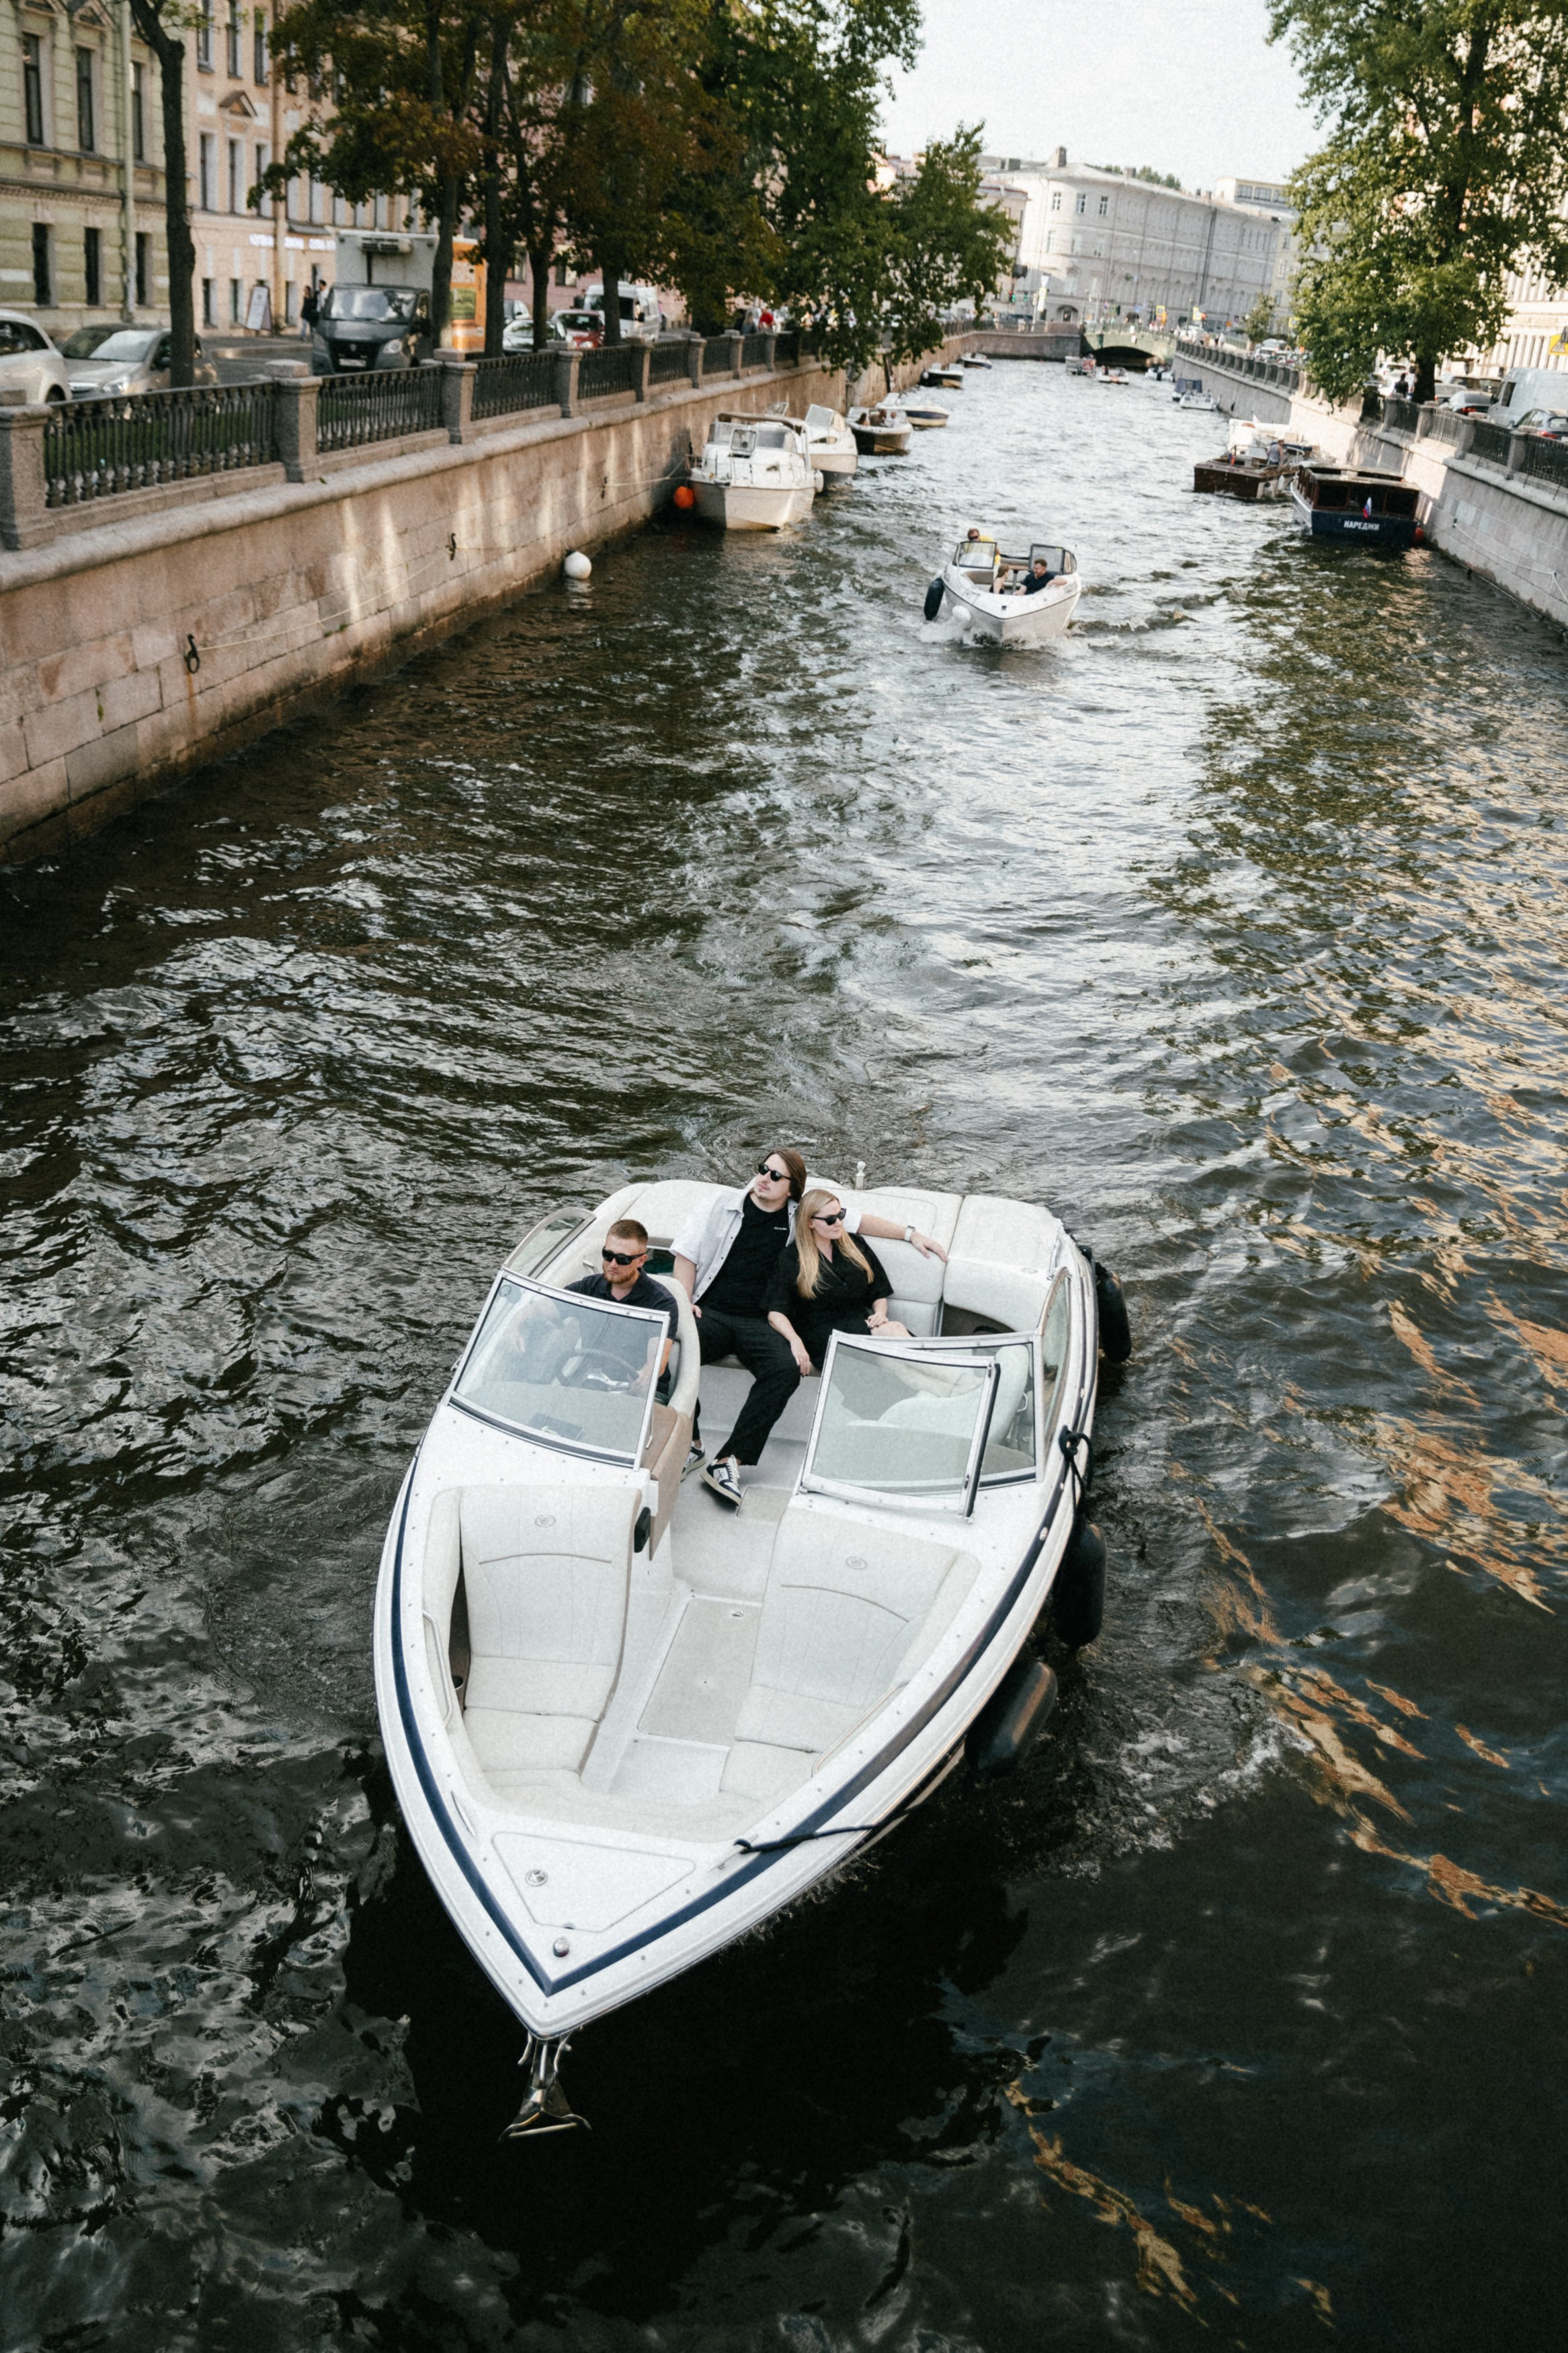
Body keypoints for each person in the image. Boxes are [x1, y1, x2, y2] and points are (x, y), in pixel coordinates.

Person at [670, 1152, 948, 1508]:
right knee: (674, 1352)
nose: (765, 1178)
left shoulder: (802, 1217)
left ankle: (729, 1461)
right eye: (763, 1170)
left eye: (776, 1176)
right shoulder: (720, 1205)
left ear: (792, 1189)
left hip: (762, 1320)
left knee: (785, 1370)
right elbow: (686, 1255)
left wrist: (911, 1234)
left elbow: (857, 1222)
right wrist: (685, 1298)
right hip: (711, 1312)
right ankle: (689, 1444)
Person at [766, 1191, 911, 1374]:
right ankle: (955, 1378)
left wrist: (880, 1313)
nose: (839, 1223)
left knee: (895, 1364)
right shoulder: (792, 1258)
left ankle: (953, 1391)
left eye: (840, 1215)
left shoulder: (855, 1245)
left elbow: (878, 1291)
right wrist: (795, 1341)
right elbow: (776, 1312)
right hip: (822, 1336)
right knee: (896, 1332)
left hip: (860, 1324)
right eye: (830, 1219)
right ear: (810, 1223)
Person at [565, 1219, 679, 1393]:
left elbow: (657, 1361)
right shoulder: (587, 1288)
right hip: (593, 1382)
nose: (613, 1264)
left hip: (641, 1390)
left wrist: (646, 1374)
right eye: (607, 1255)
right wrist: (515, 1325)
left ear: (641, 1261)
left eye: (623, 1259)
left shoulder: (661, 1302)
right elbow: (541, 1308)